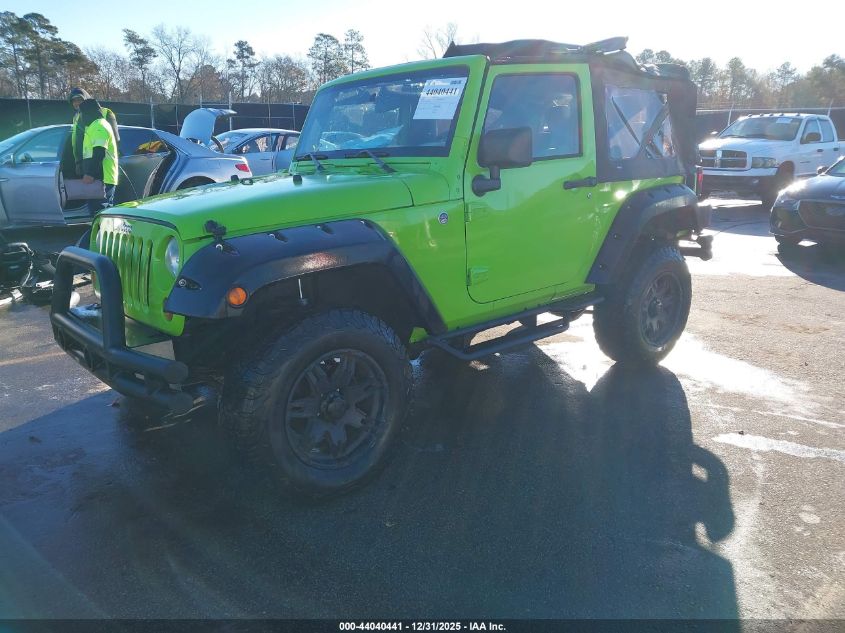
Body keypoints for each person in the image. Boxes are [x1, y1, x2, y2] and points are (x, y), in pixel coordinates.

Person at [79, 98, 118, 216]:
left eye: (82, 113)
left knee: (103, 218)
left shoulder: (99, 126)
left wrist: (90, 174)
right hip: (99, 179)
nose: (81, 116)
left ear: (88, 112)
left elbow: (99, 152)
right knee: (98, 217)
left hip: (102, 179)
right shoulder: (93, 126)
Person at [68, 87, 119, 177]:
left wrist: (95, 167)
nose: (77, 103)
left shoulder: (106, 113)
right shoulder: (76, 117)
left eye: (80, 99)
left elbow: (115, 140)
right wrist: (79, 163)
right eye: (74, 101)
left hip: (101, 166)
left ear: (87, 99)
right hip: (85, 166)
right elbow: (78, 142)